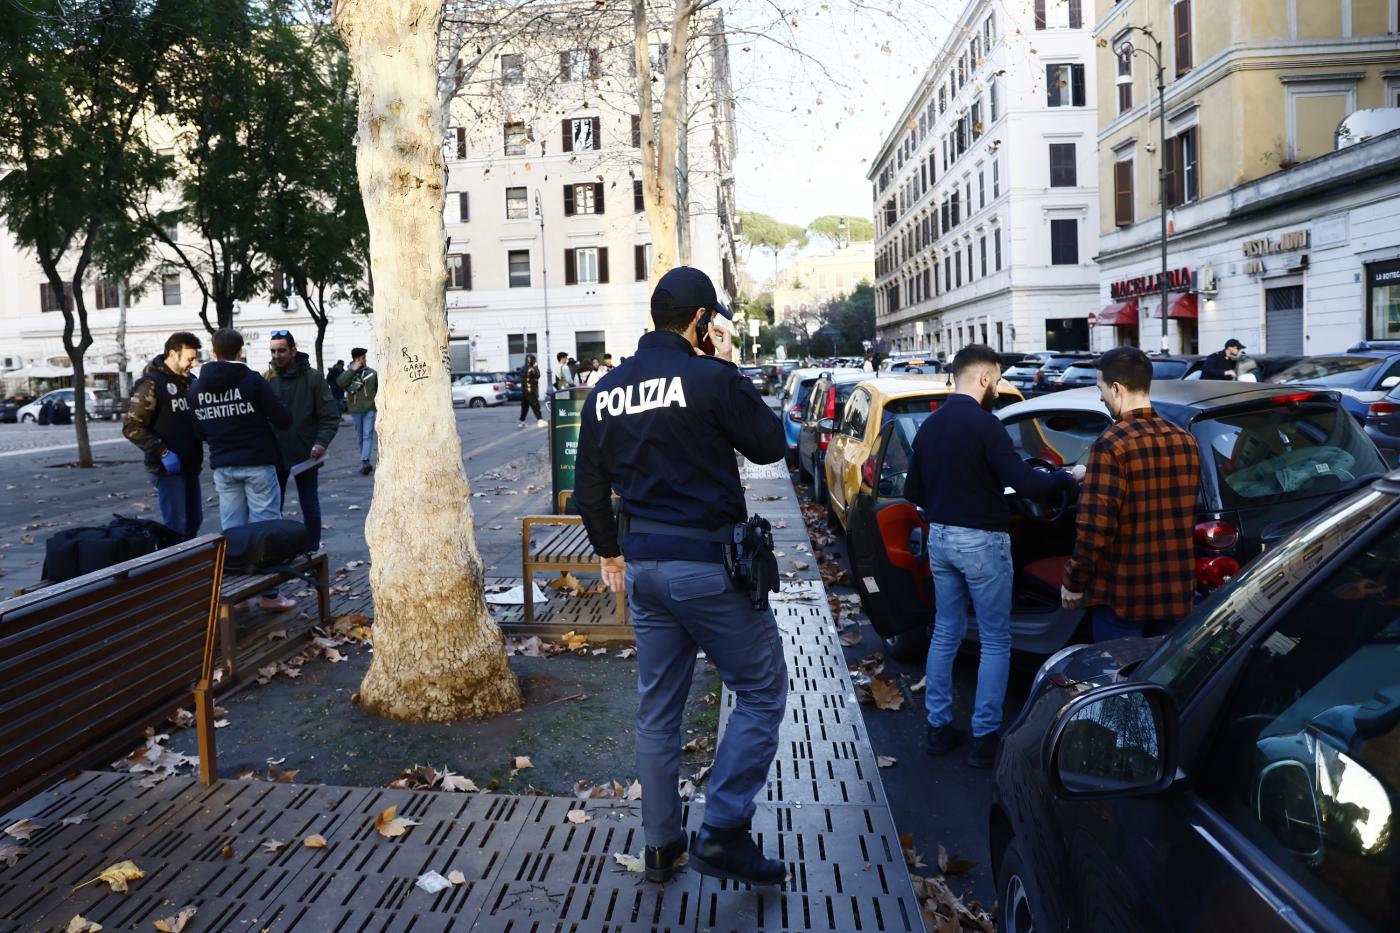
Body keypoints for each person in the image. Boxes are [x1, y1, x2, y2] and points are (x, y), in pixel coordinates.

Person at [574, 266, 789, 887]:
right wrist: (730, 366)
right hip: (708, 570)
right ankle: (723, 831)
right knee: (761, 690)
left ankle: (663, 844)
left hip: (644, 569)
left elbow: (588, 488)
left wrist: (611, 551)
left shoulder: (607, 389)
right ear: (700, 320)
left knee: (658, 711)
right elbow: (771, 444)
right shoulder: (710, 378)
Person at [903, 344, 1083, 768]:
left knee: (945, 633)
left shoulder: (929, 427)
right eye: (998, 380)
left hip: (941, 539)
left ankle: (937, 728)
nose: (998, 387)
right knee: (995, 639)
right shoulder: (986, 427)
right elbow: (1029, 484)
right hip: (982, 542)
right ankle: (985, 738)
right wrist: (1068, 476)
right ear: (984, 378)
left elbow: (913, 494)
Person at [1062, 346, 1202, 641]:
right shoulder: (1185, 439)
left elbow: (1094, 528)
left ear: (1116, 388)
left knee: (1119, 680)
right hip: (1175, 592)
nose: (1100, 397)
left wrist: (1073, 582)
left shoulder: (1111, 444)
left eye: (1101, 388)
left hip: (1123, 595)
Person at [192, 328, 296, 610]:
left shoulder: (196, 386)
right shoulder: (251, 381)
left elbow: (198, 428)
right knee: (265, 527)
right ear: (240, 351)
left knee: (232, 529)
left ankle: (237, 594)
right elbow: (283, 419)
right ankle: (270, 594)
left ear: (214, 352)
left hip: (223, 465)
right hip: (258, 462)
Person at [123, 332, 205, 539]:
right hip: (167, 468)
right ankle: (179, 568)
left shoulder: (190, 382)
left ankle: (192, 566)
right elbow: (131, 426)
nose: (193, 364)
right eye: (189, 358)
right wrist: (162, 451)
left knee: (194, 521)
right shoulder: (151, 384)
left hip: (190, 465)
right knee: (177, 528)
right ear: (173, 354)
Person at [265, 330, 339, 550]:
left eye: (281, 350)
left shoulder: (313, 378)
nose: (276, 355)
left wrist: (321, 443)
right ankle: (276, 551)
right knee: (273, 507)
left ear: (293, 350)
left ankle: (313, 550)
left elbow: (330, 416)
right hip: (275, 454)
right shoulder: (267, 379)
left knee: (309, 504)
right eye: (273, 351)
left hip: (306, 454)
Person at [338, 347, 378, 475]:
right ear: (356, 359)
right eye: (361, 358)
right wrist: (352, 370)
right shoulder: (349, 373)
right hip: (355, 409)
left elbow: (377, 388)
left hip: (369, 408)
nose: (364, 360)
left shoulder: (372, 373)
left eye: (364, 358)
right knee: (361, 436)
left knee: (368, 434)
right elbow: (340, 383)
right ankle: (364, 461)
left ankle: (365, 460)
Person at [517, 354, 545, 428]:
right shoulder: (531, 368)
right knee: (535, 405)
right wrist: (536, 366)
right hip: (531, 390)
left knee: (525, 407)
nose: (535, 361)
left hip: (524, 391)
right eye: (534, 360)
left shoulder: (522, 368)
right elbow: (538, 375)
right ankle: (540, 420)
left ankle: (521, 421)